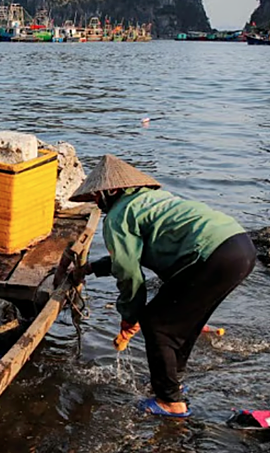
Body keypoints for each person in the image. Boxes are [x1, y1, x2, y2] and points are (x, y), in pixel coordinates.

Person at [69, 155, 256, 418]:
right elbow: (129, 255)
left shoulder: (118, 215)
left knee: (157, 324)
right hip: (240, 247)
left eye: (98, 198)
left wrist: (130, 315)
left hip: (210, 256)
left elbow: (128, 272)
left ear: (111, 191)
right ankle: (172, 385)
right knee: (184, 322)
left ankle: (169, 401)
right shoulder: (149, 200)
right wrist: (90, 268)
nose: (98, 205)